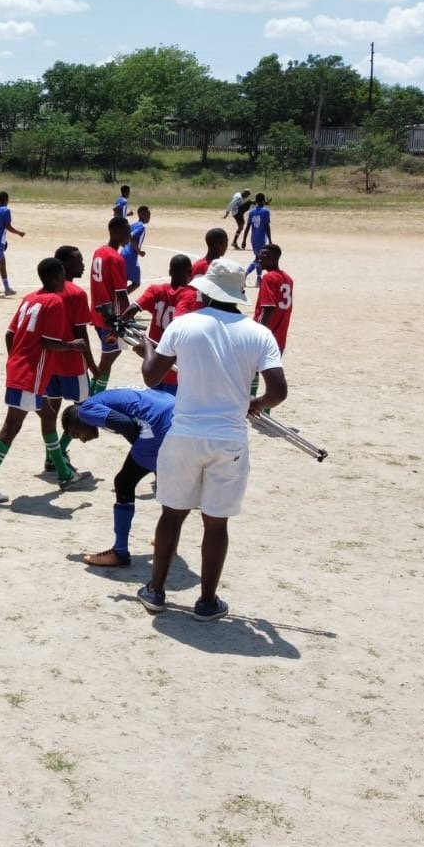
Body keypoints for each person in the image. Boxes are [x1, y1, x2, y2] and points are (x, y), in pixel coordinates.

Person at [139, 258, 286, 620]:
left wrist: (146, 348)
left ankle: (156, 590)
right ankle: (207, 601)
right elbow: (279, 390)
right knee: (216, 522)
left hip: (185, 434)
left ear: (206, 291)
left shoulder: (183, 325)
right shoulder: (257, 333)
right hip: (229, 438)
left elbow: (151, 377)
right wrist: (257, 403)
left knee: (171, 514)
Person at [0, 257, 91, 503]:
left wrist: (16, 358)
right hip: (31, 374)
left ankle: (64, 473)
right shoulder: (55, 302)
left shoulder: (29, 299)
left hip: (22, 369)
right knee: (11, 427)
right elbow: (49, 342)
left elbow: (9, 334)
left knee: (47, 417)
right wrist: (73, 345)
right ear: (57, 277)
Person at [60, 388, 177, 568]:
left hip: (157, 423)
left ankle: (119, 552)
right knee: (164, 480)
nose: (82, 439)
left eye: (76, 434)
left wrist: (140, 451)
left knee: (124, 482)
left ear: (79, 420)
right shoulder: (103, 398)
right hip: (177, 412)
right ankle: (169, 541)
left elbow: (127, 425)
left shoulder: (86, 410)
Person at [49, 246, 101, 473]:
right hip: (72, 364)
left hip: (50, 363)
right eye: (78, 261)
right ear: (64, 265)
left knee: (51, 411)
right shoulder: (77, 294)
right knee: (83, 409)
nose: (83, 265)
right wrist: (92, 365)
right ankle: (59, 451)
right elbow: (82, 334)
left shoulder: (47, 292)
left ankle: (51, 455)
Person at [130, 253, 199, 393]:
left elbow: (134, 307)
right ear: (190, 273)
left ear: (169, 272)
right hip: (173, 365)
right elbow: (178, 324)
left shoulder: (156, 290)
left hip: (154, 362)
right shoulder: (189, 294)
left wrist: (118, 325)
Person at [88, 217, 134, 394]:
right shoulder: (116, 259)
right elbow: (121, 294)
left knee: (115, 351)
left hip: (98, 314)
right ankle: (94, 395)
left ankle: (94, 386)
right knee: (107, 360)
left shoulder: (99, 252)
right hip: (111, 319)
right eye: (126, 231)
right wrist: (127, 319)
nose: (129, 235)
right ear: (115, 232)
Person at [0, 190, 27, 296]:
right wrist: (18, 233)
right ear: (7, 199)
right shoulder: (6, 210)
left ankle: (7, 288)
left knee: (2, 263)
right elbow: (8, 226)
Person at [244, 194, 273, 282]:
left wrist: (244, 240)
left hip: (253, 238)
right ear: (263, 201)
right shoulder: (266, 211)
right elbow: (267, 226)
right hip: (261, 238)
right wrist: (270, 240)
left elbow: (248, 227)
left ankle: (258, 279)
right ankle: (245, 273)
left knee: (258, 258)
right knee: (258, 259)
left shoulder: (251, 212)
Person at [122, 205, 151, 291]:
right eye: (147, 215)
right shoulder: (141, 226)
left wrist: (124, 246)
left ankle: (117, 300)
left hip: (124, 253)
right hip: (131, 256)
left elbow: (125, 235)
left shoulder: (134, 224)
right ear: (141, 215)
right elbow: (131, 237)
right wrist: (139, 252)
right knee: (136, 283)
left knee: (123, 281)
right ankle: (119, 300)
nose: (149, 217)